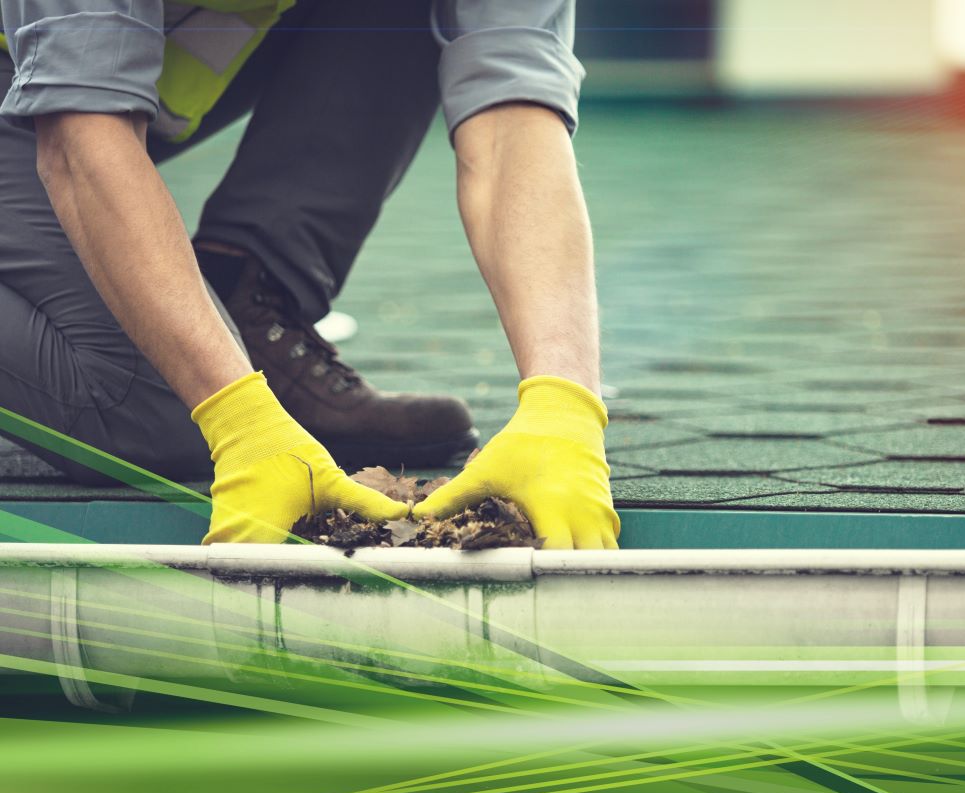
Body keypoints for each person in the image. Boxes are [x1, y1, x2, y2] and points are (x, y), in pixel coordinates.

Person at [0, 0, 620, 549]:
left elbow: (512, 115)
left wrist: (563, 405)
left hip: (101, 88)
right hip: (50, 98)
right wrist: (239, 421)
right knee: (146, 406)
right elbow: (80, 135)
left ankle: (251, 305)